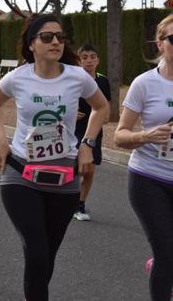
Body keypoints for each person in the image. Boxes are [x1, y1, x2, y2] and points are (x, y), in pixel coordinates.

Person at [0, 14, 109, 301]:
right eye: (46, 37)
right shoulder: (18, 77)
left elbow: (101, 108)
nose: (55, 41)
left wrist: (87, 143)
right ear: (31, 44)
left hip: (64, 177)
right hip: (20, 172)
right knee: (37, 249)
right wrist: (0, 137)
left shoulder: (77, 76)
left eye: (59, 37)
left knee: (46, 256)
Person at [115, 14, 173, 301]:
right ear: (160, 44)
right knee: (167, 252)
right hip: (149, 178)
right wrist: (145, 136)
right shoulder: (144, 83)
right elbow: (120, 135)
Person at [73, 44, 111, 221]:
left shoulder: (103, 80)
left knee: (89, 170)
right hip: (73, 130)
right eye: (85, 57)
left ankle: (80, 205)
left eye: (93, 57)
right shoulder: (73, 80)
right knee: (76, 169)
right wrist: (71, 113)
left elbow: (106, 105)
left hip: (95, 131)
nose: (89, 60)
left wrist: (105, 116)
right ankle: (69, 200)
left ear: (98, 60)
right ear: (79, 61)